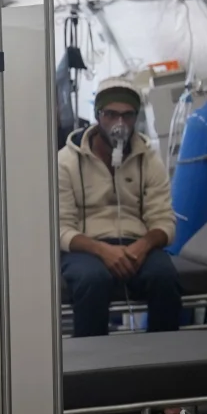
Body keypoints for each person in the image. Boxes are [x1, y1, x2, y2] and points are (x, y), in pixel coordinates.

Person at [58, 77, 182, 338]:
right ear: (97, 115)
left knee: (165, 278)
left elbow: (164, 221)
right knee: (92, 281)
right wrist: (103, 250)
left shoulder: (149, 159)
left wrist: (142, 246)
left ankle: (165, 356)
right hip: (86, 247)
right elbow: (60, 228)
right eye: (111, 114)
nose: (119, 123)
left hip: (136, 244)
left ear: (136, 117)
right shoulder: (66, 162)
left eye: (127, 115)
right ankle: (92, 360)